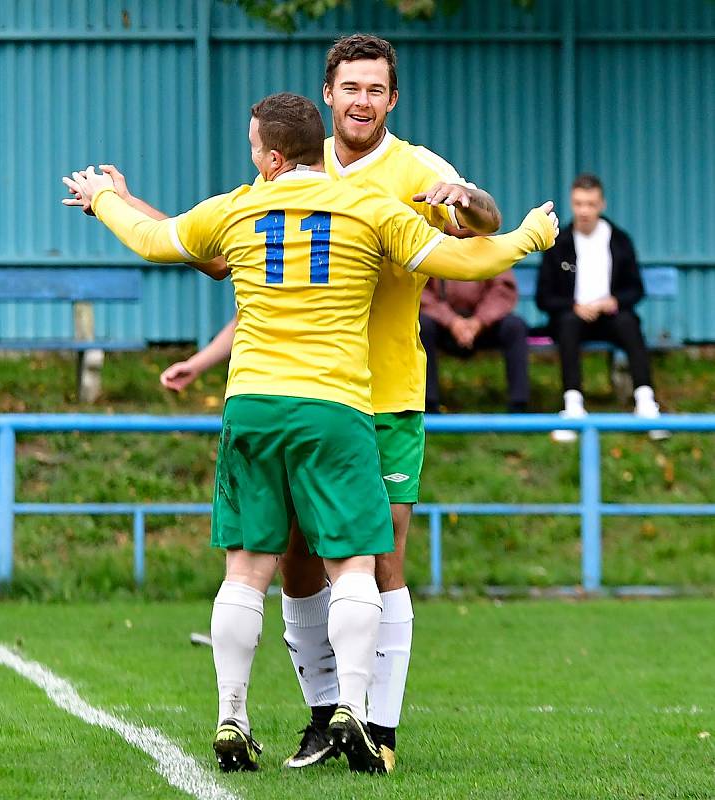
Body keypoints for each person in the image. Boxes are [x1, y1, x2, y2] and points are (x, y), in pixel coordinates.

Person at [66, 92, 557, 773]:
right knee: (355, 562)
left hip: (254, 405)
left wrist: (103, 199)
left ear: (271, 156)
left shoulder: (240, 206)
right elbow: (469, 261)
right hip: (335, 406)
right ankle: (352, 706)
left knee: (246, 567)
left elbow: (156, 240)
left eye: (251, 146)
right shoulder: (368, 208)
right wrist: (532, 234)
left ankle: (231, 714)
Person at [536, 173, 667, 442]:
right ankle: (572, 405)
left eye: (591, 204)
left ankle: (646, 403)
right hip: (574, 319)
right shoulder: (559, 244)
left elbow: (636, 288)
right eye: (579, 203)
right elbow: (544, 297)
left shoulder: (619, 240)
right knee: (567, 323)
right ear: (572, 204)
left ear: (602, 205)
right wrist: (574, 306)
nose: (584, 210)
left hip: (611, 318)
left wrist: (615, 301)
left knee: (629, 322)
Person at [418, 272, 530, 412]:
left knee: (515, 327)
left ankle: (518, 405)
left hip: (484, 323)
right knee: (422, 326)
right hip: (441, 322)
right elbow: (420, 290)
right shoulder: (427, 250)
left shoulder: (494, 249)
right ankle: (428, 404)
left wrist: (479, 321)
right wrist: (451, 321)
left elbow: (502, 289)